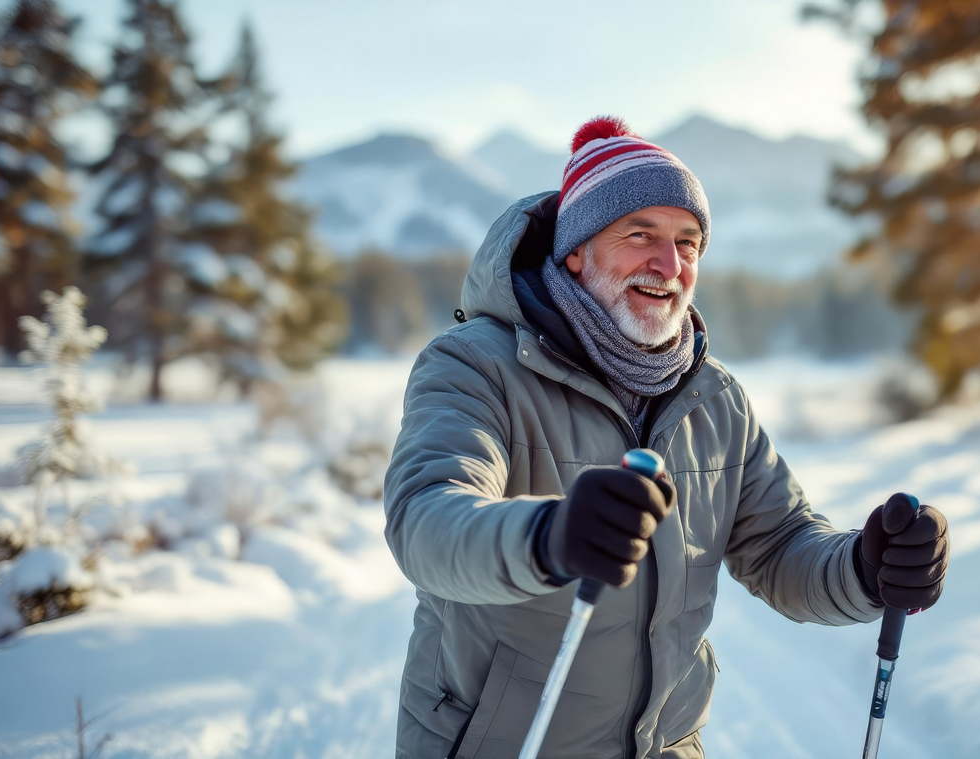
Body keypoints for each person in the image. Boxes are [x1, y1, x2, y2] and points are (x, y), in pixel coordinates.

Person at [383, 116, 950, 759]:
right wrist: (549, 536)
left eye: (688, 242)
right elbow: (426, 518)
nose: (668, 263)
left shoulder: (714, 397)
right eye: (639, 234)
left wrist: (864, 568)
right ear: (576, 251)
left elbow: (779, 544)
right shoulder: (475, 365)